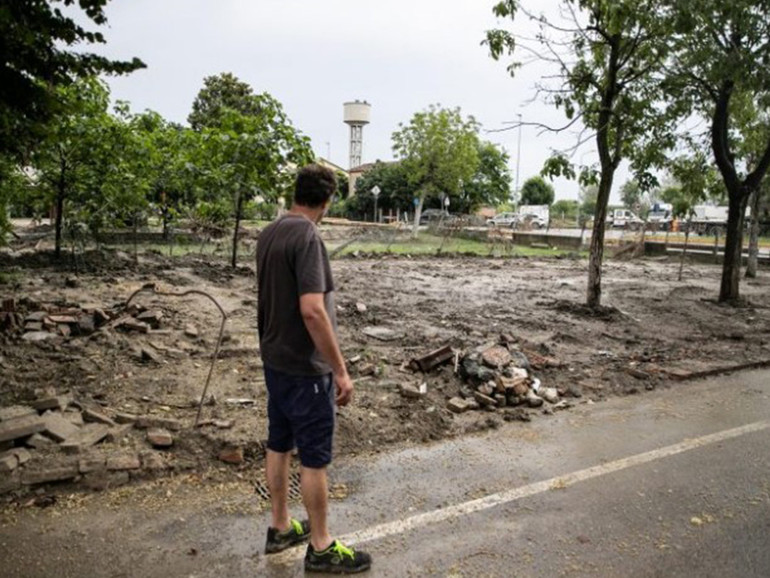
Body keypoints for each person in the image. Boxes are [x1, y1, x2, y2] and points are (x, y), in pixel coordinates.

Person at [257, 163, 372, 574]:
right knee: (314, 458)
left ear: (296, 193)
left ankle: (280, 526)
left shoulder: (270, 232)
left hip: (275, 360)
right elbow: (312, 311)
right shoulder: (307, 236)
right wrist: (339, 369)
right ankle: (321, 546)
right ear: (327, 200)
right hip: (306, 370)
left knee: (278, 443)